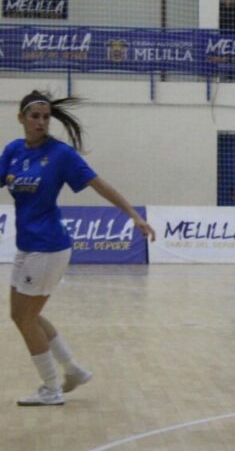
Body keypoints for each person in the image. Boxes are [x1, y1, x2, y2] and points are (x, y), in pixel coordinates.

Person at [2, 91, 156, 406]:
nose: (41, 122)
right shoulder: (13, 151)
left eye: (46, 117)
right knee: (20, 315)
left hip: (49, 247)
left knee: (27, 320)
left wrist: (133, 215)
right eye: (35, 116)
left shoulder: (61, 155)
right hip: (26, 246)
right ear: (21, 118)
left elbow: (100, 184)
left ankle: (51, 389)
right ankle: (73, 370)